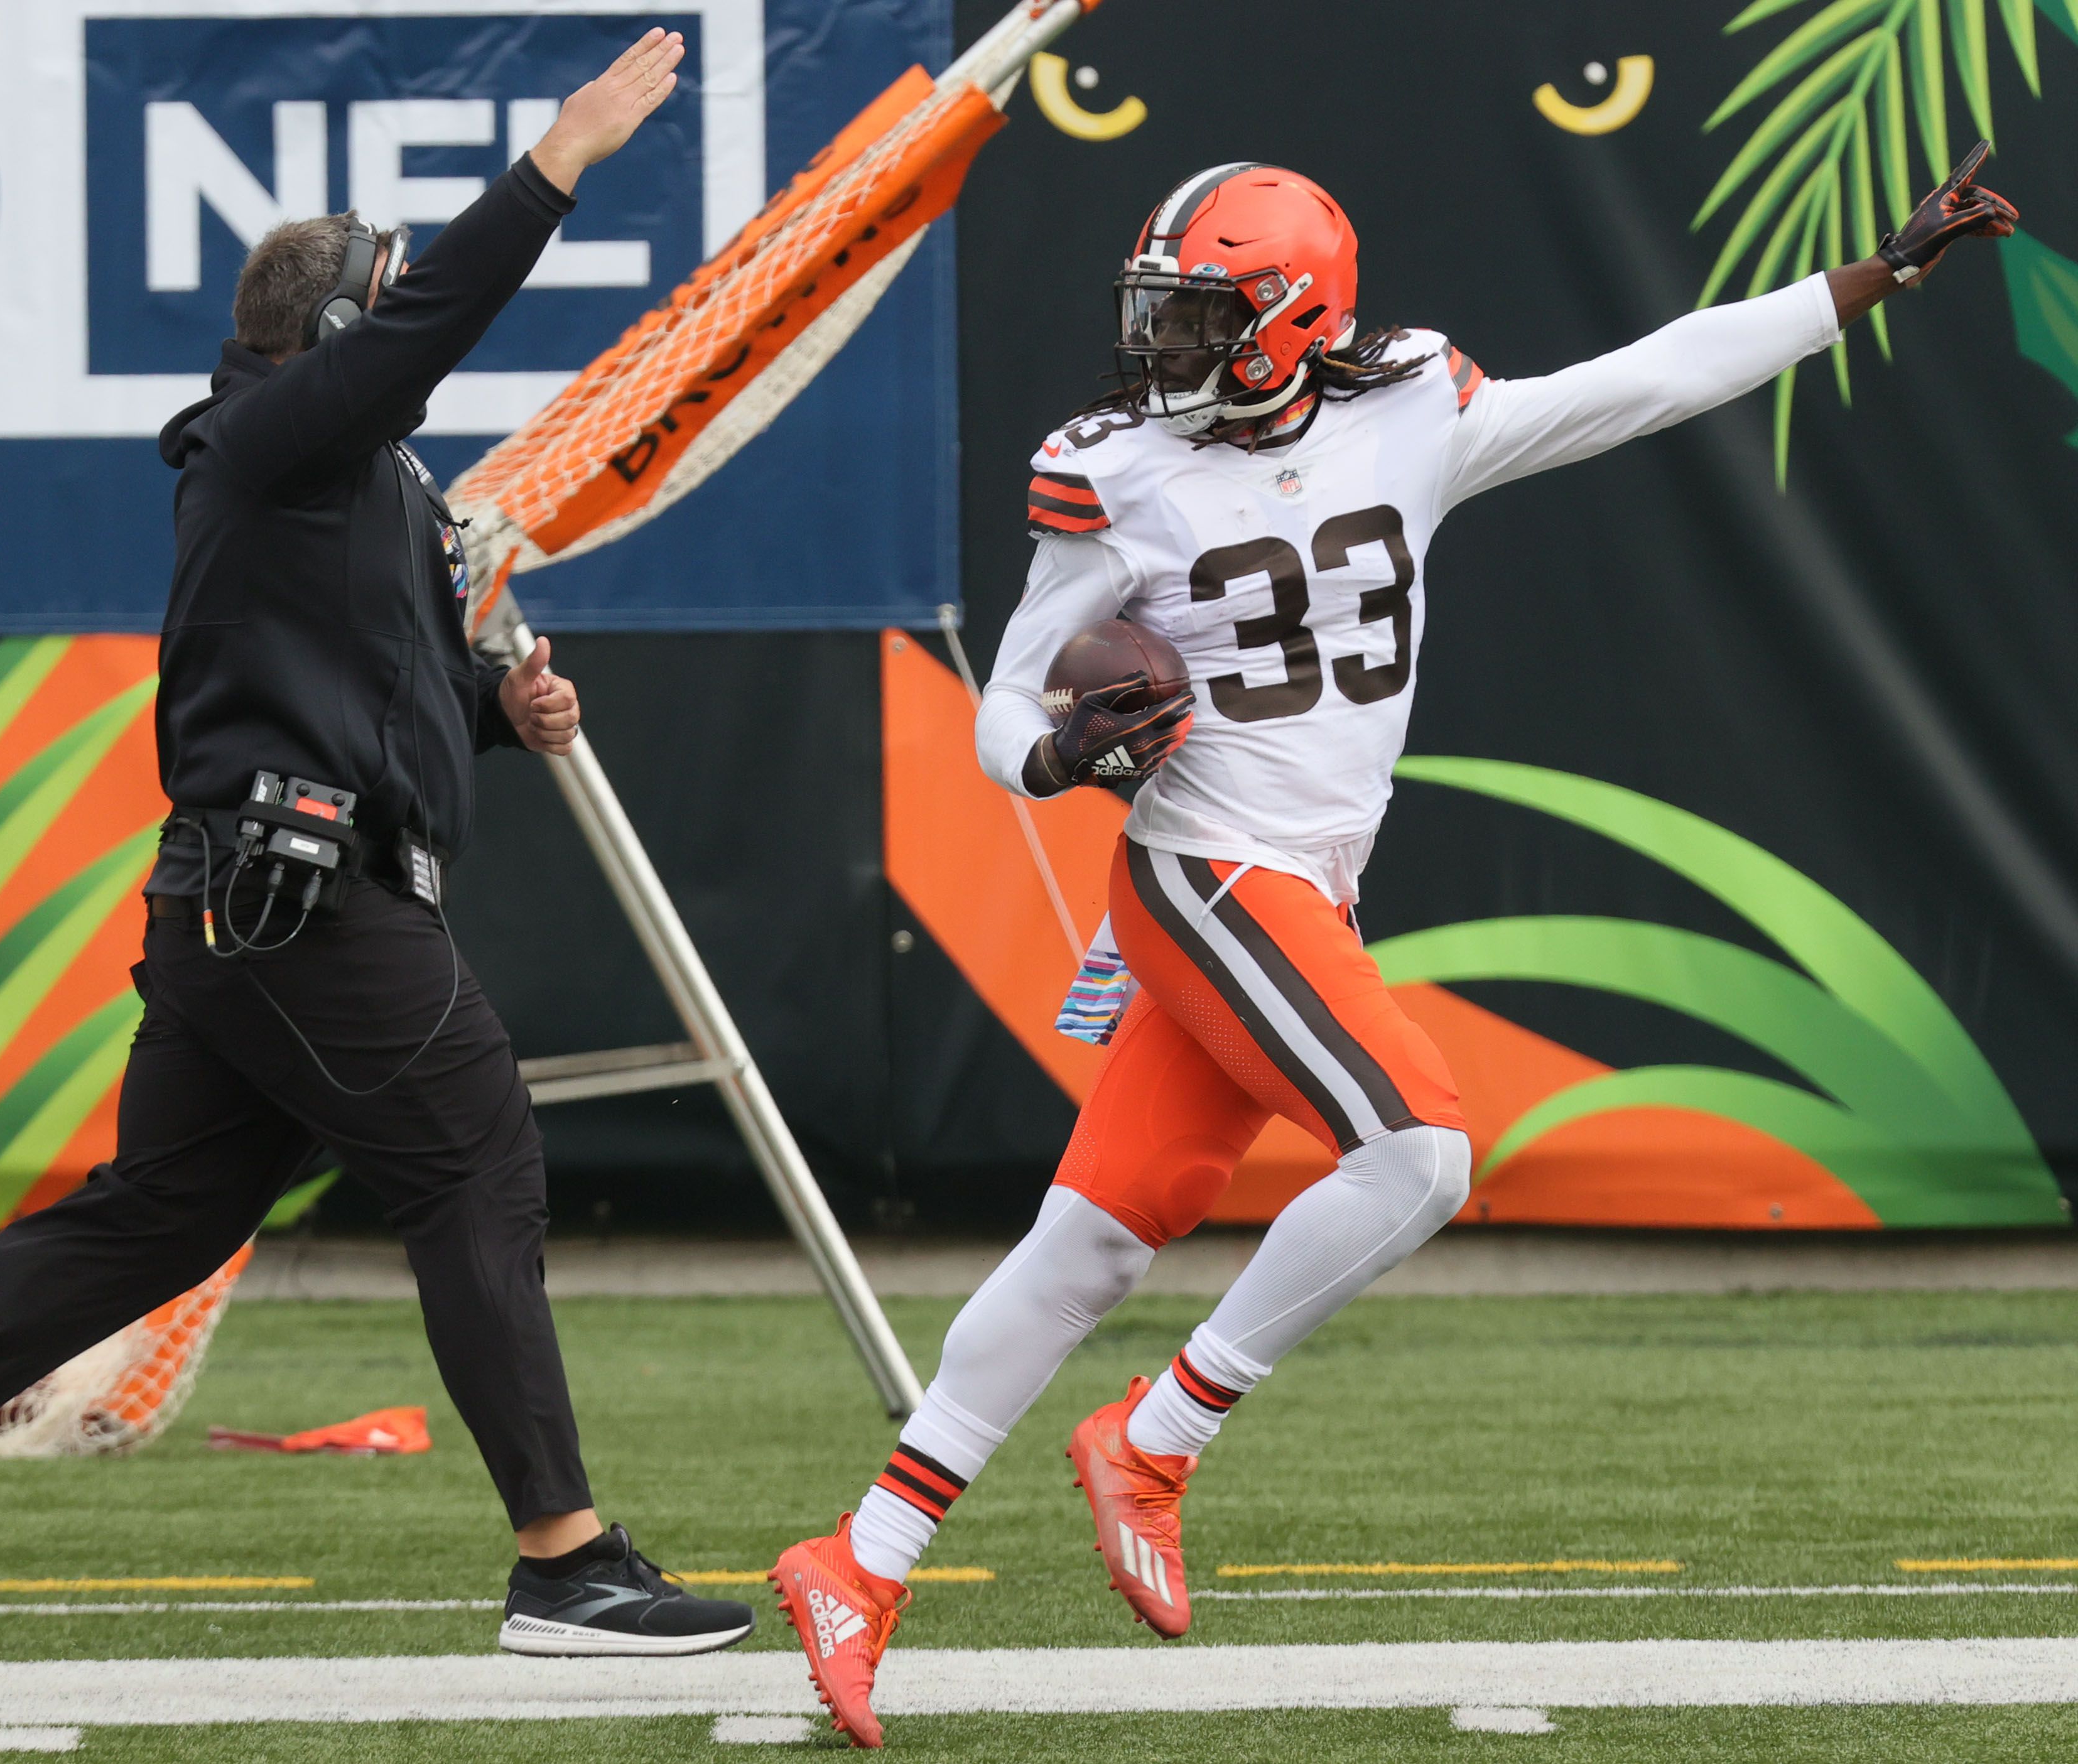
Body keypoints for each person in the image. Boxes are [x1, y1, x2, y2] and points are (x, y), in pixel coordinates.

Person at [769, 147, 2019, 1745]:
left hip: (1303, 887)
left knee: (1093, 1238)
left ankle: (859, 1561)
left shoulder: (1412, 405)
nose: (1154, 343)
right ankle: (1159, 1435)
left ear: (1291, 319)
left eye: (1195, 312)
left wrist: (1872, 276)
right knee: (1423, 1152)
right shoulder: (1116, 468)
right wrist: (1055, 759)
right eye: (1153, 307)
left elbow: (1642, 380)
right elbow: (1013, 692)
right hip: (1207, 873)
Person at [0, 28, 753, 1660]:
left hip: (255, 904)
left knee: (163, 1210)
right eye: (397, 293)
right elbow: (420, 338)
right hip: (295, 896)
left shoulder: (370, 483)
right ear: (348, 334)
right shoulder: (271, 437)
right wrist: (555, 163)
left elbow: (385, 684)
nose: (418, 310)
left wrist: (507, 707)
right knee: (480, 1153)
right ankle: (566, 1560)